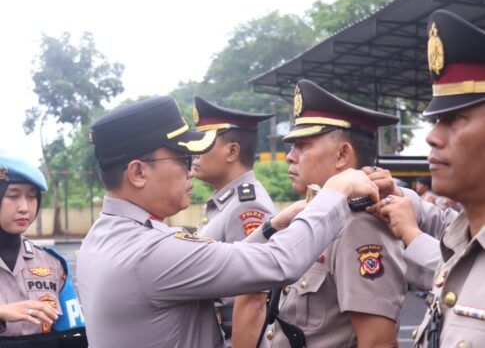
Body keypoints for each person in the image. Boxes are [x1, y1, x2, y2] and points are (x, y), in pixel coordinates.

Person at [76, 95, 380, 348]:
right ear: (138, 173)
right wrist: (335, 192)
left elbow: (214, 267)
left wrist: (271, 227)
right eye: (182, 160)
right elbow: (278, 263)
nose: (191, 171)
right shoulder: (149, 251)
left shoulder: (103, 237)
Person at [258, 79, 407, 348]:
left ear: (341, 155)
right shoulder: (314, 219)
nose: (290, 156)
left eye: (302, 145)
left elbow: (378, 344)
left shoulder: (357, 226)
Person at [372, 9, 485, 348]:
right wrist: (404, 202)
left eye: (454, 119)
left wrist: (409, 231)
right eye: (436, 120)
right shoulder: (464, 238)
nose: (432, 137)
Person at [192, 96, 276, 347]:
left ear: (232, 151)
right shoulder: (227, 202)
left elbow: (253, 297)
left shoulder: (247, 206)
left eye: (204, 144)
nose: (194, 152)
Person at [0, 151, 86, 347]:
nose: (24, 207)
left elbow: (73, 336)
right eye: (13, 195)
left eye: (32, 196)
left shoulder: (52, 264)